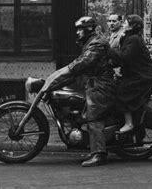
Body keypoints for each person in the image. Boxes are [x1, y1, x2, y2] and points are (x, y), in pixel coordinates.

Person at [41, 16, 116, 167]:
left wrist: (67, 70)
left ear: (88, 29)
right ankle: (91, 144)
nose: (77, 33)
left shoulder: (96, 44)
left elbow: (84, 62)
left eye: (80, 30)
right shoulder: (90, 42)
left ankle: (99, 154)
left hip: (101, 85)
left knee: (93, 116)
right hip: (93, 82)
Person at [108, 14, 152, 134]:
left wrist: (108, 51)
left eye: (126, 23)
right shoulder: (128, 37)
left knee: (122, 92)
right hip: (136, 73)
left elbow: (125, 57)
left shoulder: (134, 39)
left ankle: (129, 123)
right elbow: (123, 57)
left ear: (132, 26)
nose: (124, 24)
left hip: (143, 76)